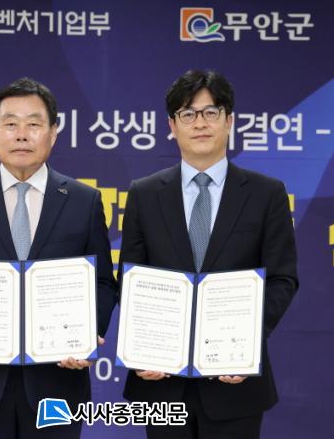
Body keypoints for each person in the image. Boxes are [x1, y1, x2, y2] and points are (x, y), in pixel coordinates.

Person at [0, 77, 117, 439]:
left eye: (34, 124)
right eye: (10, 124)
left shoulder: (84, 200)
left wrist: (88, 333)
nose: (22, 135)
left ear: (53, 133)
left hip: (58, 381)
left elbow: (104, 282)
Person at [119, 70, 299, 438]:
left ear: (229, 120)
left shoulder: (266, 194)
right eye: (187, 114)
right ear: (172, 126)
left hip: (235, 381)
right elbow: (131, 278)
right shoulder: (144, 194)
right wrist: (144, 346)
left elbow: (282, 279)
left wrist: (246, 343)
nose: (200, 123)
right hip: (162, 381)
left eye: (211, 112)